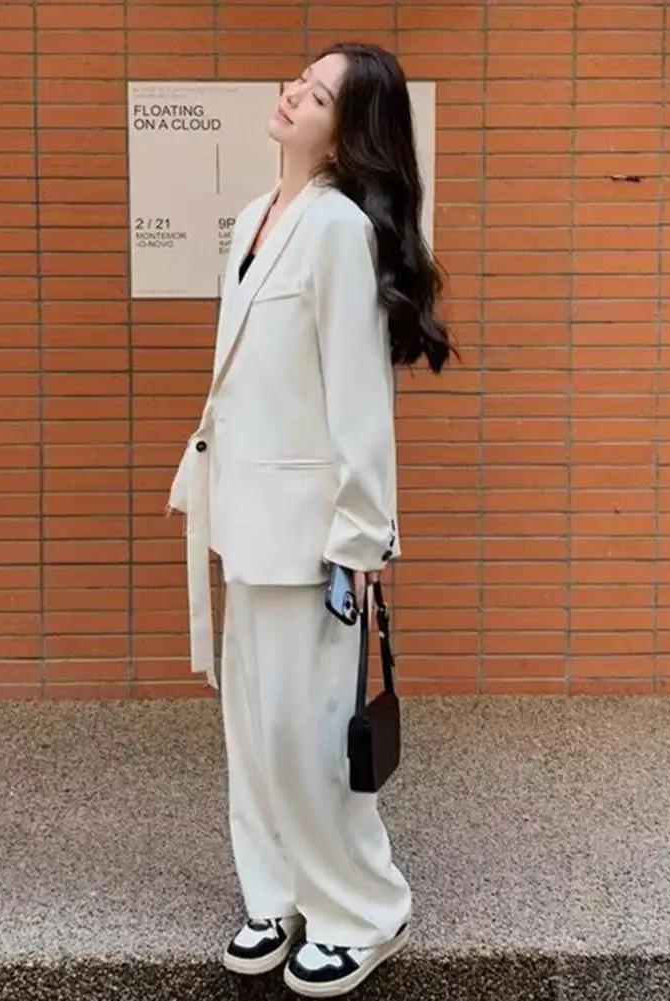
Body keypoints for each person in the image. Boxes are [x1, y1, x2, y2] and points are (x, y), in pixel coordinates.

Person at [166, 42, 454, 998]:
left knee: (306, 735)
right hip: (243, 517)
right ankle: (277, 892)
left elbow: (359, 398)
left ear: (347, 131)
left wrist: (361, 537)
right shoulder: (257, 216)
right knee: (252, 729)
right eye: (301, 78)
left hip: (312, 536)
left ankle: (362, 911)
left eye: (319, 94)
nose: (293, 93)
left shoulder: (336, 228)